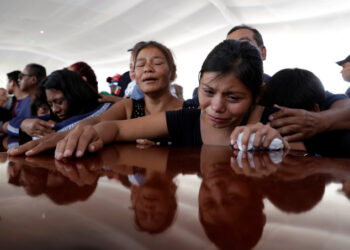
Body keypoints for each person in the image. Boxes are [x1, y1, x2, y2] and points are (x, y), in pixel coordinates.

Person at [51, 39, 288, 160]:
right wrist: (87, 135)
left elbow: (311, 160)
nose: (216, 107)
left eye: (233, 97)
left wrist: (281, 147)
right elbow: (113, 128)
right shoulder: (187, 119)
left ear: (257, 95)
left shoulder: (277, 122)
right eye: (207, 92)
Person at [8, 41, 197, 156]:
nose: (148, 68)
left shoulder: (191, 111)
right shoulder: (129, 107)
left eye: (157, 63)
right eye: (140, 65)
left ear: (172, 72)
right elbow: (95, 122)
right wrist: (58, 138)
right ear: (134, 75)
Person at [227, 24, 350, 142]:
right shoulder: (215, 95)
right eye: (229, 47)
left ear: (263, 52)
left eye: (244, 43)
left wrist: (319, 121)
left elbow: (345, 105)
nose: (236, 52)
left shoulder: (284, 84)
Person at [11, 69, 113, 138]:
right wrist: (23, 124)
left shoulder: (108, 110)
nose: (55, 109)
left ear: (76, 93)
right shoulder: (60, 116)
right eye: (50, 104)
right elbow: (10, 124)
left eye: (59, 102)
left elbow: (61, 129)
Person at [2, 64, 47, 135]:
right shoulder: (26, 101)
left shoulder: (44, 103)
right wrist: (21, 124)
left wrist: (17, 124)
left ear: (33, 79)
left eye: (21, 76)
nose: (18, 79)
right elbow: (5, 126)